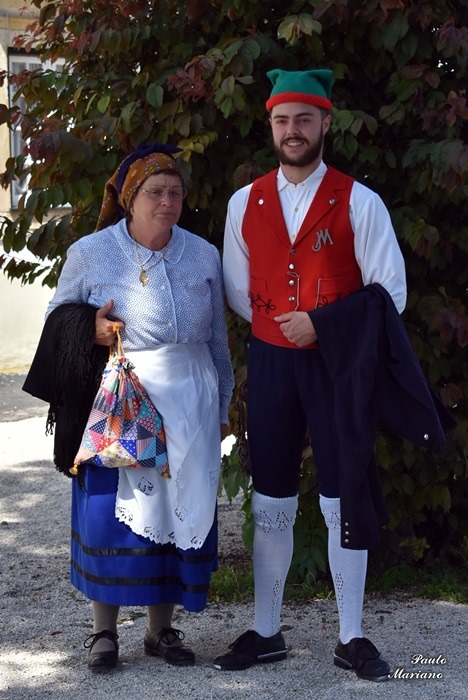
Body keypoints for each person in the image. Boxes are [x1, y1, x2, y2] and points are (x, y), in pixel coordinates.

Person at [216, 68, 408, 681]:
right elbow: (238, 289)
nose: (292, 131)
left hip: (338, 367)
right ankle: (267, 630)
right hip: (272, 362)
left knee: (340, 494)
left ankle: (351, 634)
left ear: (325, 122)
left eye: (304, 119)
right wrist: (278, 327)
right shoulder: (243, 202)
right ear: (270, 126)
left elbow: (391, 295)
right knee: (271, 494)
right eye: (281, 121)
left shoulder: (361, 200)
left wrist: (322, 327)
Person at [42, 142, 235, 671]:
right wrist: (94, 328)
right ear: (131, 199)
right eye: (155, 192)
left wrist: (224, 402)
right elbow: (58, 316)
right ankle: (103, 633)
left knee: (178, 512)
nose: (167, 202)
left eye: (175, 192)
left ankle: (161, 631)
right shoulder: (90, 252)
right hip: (121, 397)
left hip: (191, 397)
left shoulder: (204, 254)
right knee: (110, 510)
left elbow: (218, 339)